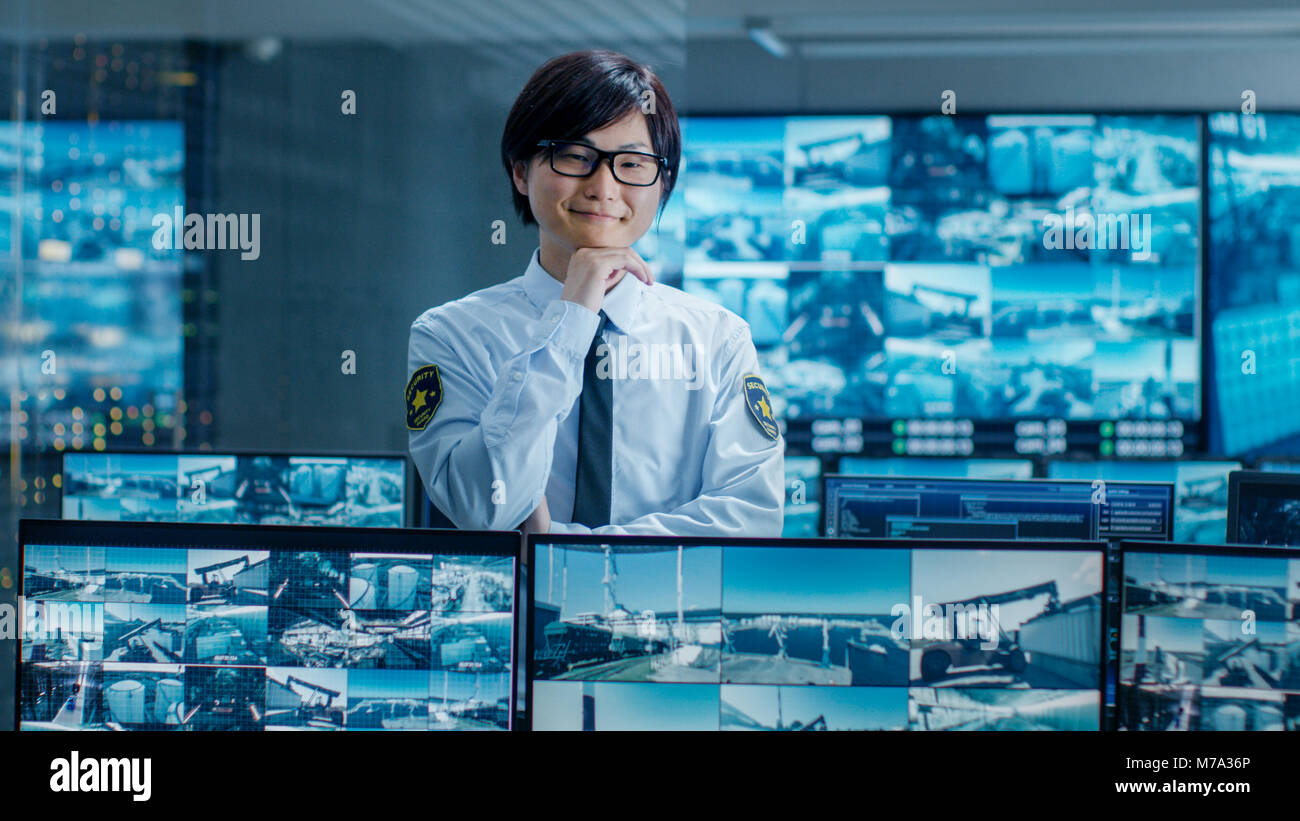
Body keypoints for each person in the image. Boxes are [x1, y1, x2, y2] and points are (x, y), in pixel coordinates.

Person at [406, 49, 782, 536]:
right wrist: (569, 323)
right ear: (521, 170)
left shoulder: (717, 340)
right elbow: (484, 507)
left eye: (632, 162)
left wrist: (561, 549)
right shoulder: (451, 334)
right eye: (575, 157)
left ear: (662, 181)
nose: (603, 186)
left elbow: (752, 521)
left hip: (671, 613)